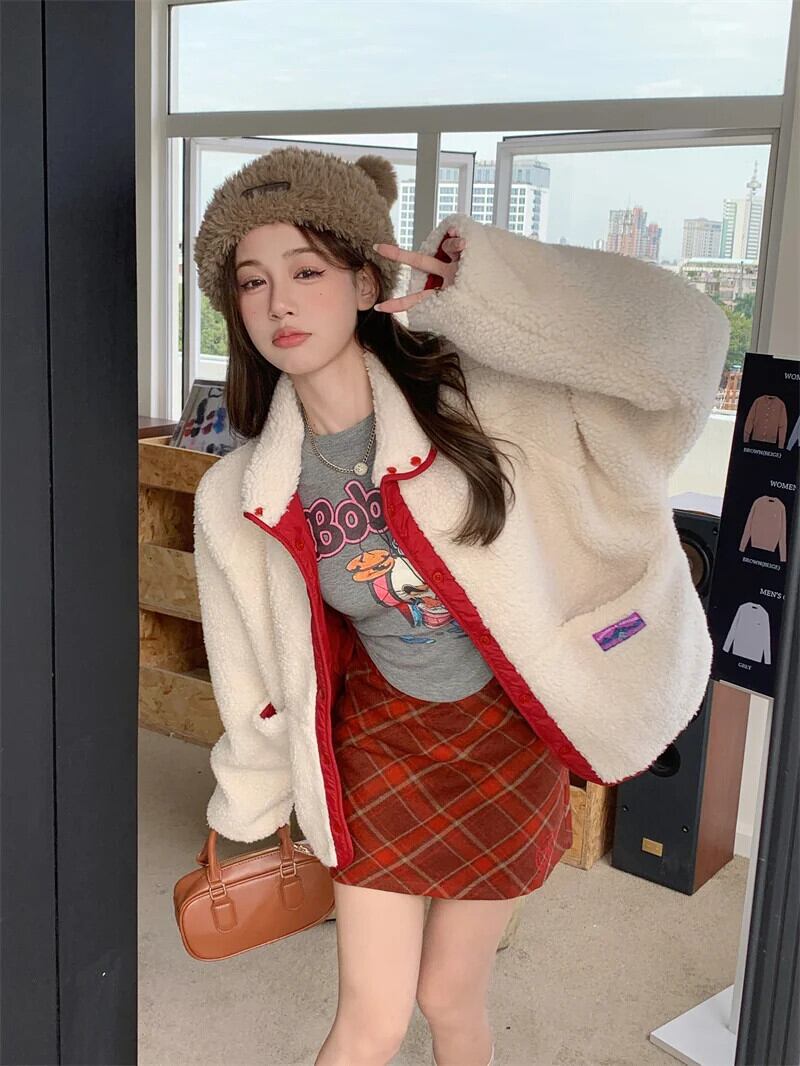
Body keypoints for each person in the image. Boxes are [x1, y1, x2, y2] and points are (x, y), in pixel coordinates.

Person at [191, 147, 730, 1066]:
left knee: (450, 997)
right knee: (371, 1019)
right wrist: (248, 800)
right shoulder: (239, 494)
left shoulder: (490, 405)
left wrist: (498, 290)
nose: (279, 302)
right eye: (253, 281)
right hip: (379, 749)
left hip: (506, 743)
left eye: (307, 271)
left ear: (366, 282)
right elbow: (253, 676)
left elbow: (684, 354)